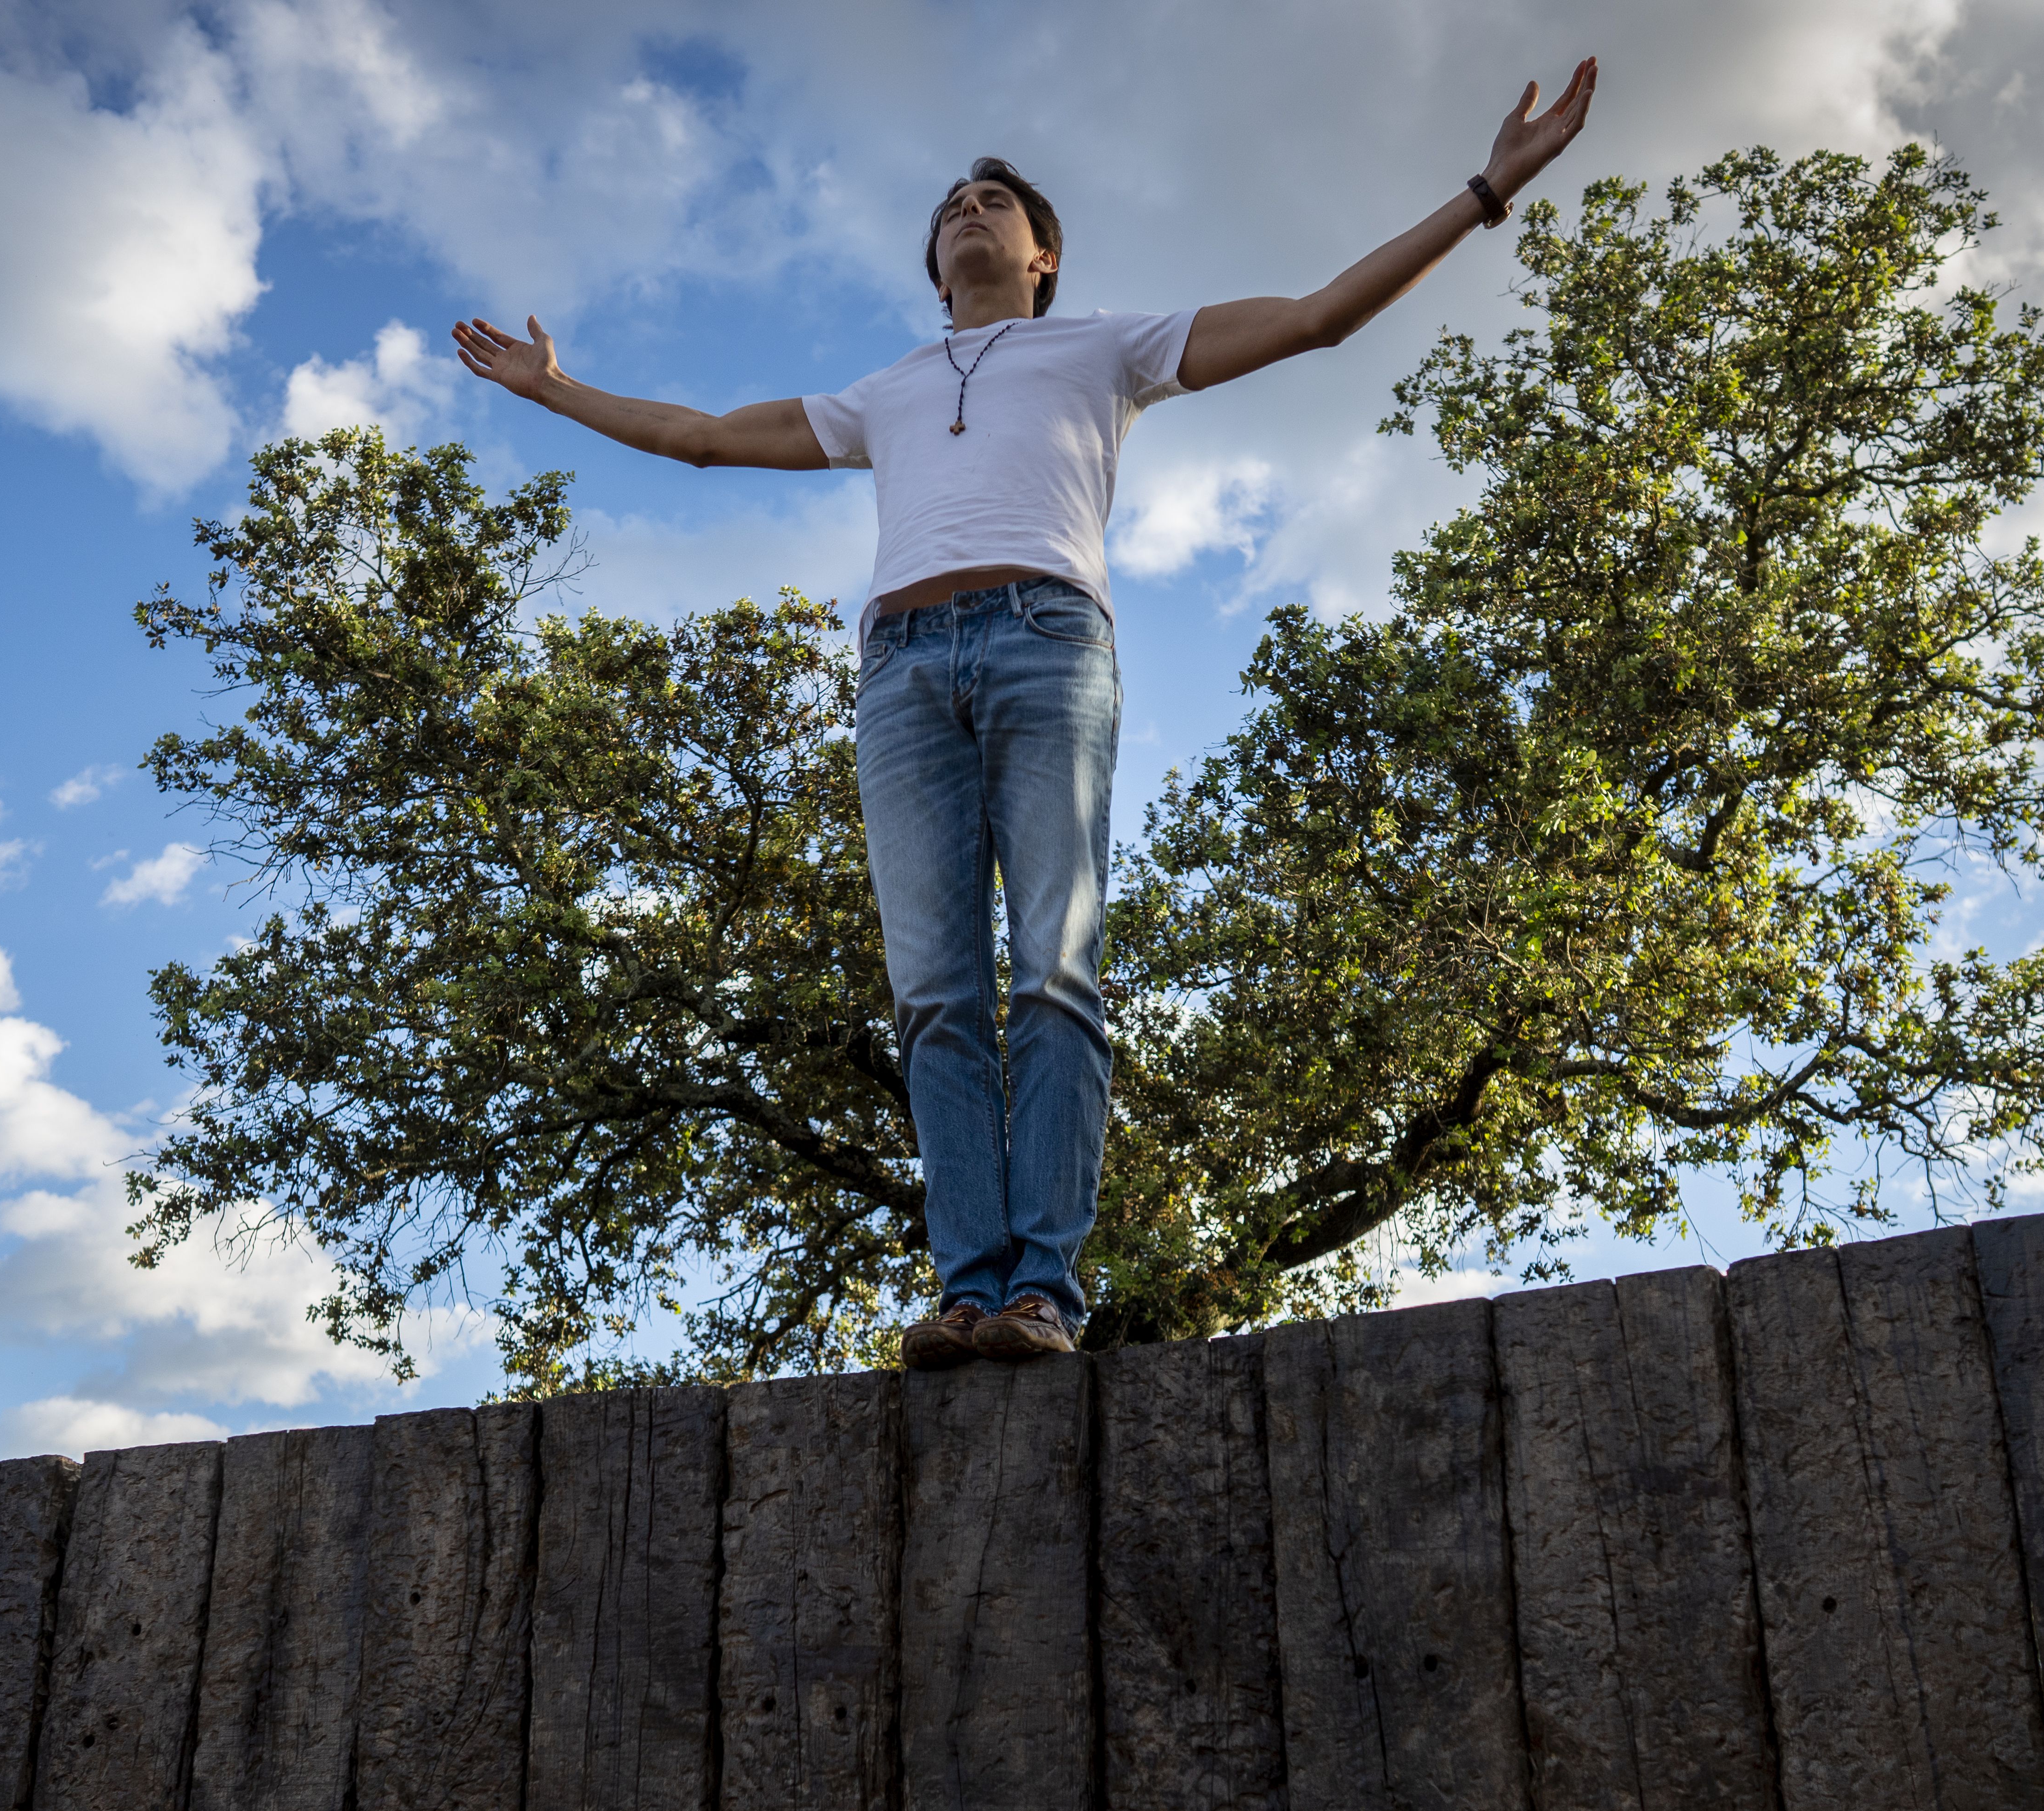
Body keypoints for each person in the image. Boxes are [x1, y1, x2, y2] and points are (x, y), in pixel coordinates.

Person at [453, 58, 1600, 1370]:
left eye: (995, 200)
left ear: (1041, 256)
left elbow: (1317, 318)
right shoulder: (884, 391)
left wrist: (1488, 191)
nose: (969, 208)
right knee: (935, 993)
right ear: (938, 268)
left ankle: (1042, 1291)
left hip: (1047, 643)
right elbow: (707, 434)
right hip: (900, 670)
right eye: (952, 204)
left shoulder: (1104, 345)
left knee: (1053, 971)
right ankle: (968, 1292)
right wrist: (552, 390)